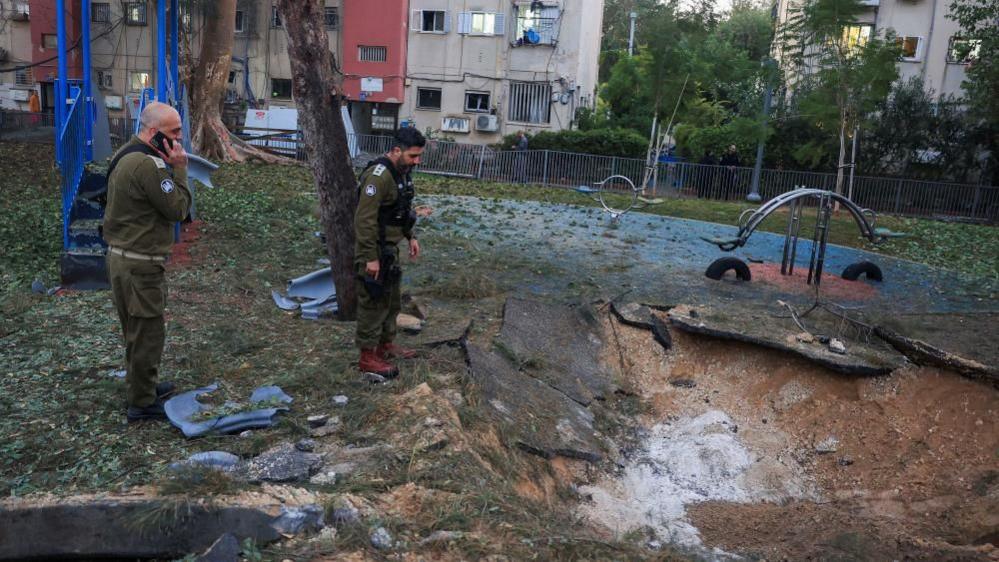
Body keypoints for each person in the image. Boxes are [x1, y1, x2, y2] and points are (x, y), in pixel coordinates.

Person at [103, 102, 191, 422]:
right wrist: (179, 168)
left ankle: (145, 385)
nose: (179, 139)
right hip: (140, 266)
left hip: (120, 258)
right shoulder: (148, 165)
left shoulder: (125, 152)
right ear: (154, 133)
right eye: (174, 132)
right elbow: (178, 209)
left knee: (135, 329)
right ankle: (141, 402)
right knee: (148, 333)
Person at [354, 128, 425, 378]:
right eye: (413, 156)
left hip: (390, 250)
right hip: (374, 250)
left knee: (391, 301)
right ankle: (367, 356)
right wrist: (370, 257)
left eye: (419, 156)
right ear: (396, 150)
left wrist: (410, 236)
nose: (417, 161)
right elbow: (365, 220)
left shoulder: (402, 173)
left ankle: (385, 345)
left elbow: (401, 209)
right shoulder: (378, 176)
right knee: (373, 303)